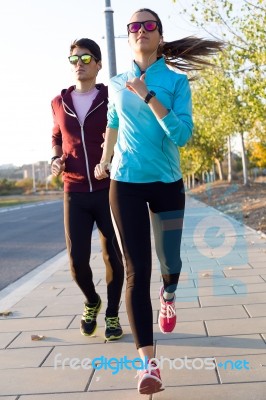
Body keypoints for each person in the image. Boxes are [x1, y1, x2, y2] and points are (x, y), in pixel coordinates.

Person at [95, 8, 223, 395]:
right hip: (126, 183)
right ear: (128, 37)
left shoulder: (176, 81)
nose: (140, 31)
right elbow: (113, 125)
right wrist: (104, 160)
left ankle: (169, 297)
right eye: (134, 27)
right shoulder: (117, 82)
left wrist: (148, 95)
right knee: (137, 270)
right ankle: (148, 365)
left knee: (171, 262)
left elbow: (182, 135)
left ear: (159, 36)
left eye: (149, 25)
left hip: (167, 183)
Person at [50, 38, 124, 342]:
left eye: (85, 58)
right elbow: (56, 135)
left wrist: (112, 159)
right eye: (73, 59)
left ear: (98, 64)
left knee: (114, 257)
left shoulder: (112, 97)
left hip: (109, 188)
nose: (78, 64)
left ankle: (112, 314)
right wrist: (56, 157)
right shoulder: (58, 101)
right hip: (75, 190)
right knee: (77, 261)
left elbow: (125, 131)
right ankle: (92, 301)